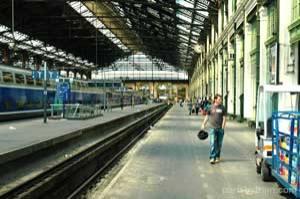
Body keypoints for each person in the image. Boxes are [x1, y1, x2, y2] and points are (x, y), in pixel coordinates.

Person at [201, 94, 227, 164]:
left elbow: (224, 118)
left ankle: (217, 156)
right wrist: (203, 124)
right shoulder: (210, 107)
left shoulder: (223, 108)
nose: (220, 100)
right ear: (215, 100)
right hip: (212, 128)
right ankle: (212, 157)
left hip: (220, 128)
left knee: (219, 144)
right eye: (219, 99)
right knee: (213, 143)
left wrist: (223, 127)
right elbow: (207, 116)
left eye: (221, 99)